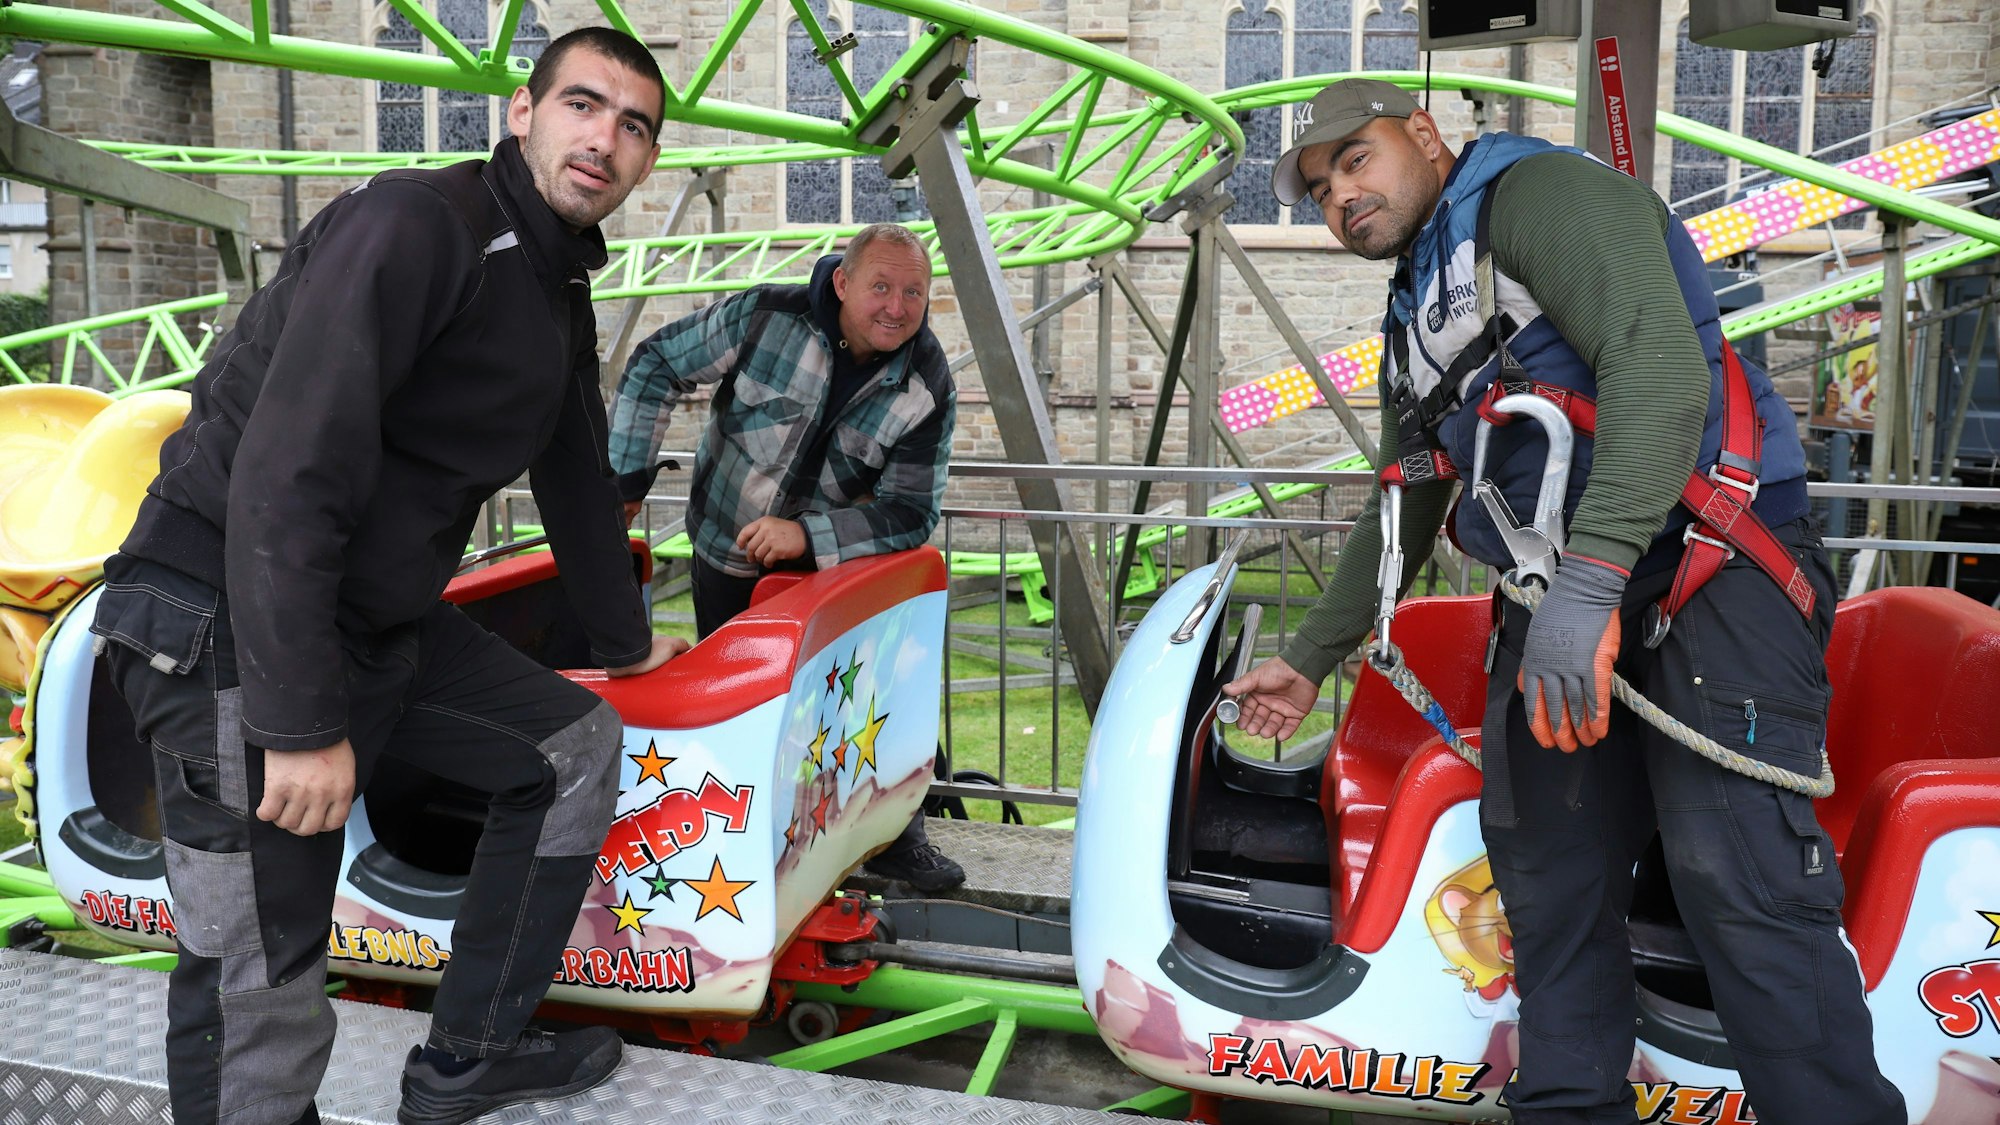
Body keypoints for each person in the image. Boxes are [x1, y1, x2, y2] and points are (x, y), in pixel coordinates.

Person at [1223, 79, 1904, 1124]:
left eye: (1352, 161)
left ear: (1421, 134)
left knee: (1744, 892)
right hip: (1562, 602)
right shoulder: (1421, 302)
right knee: (1548, 887)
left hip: (1708, 577)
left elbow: (1657, 372)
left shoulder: (1533, 199)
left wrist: (1585, 595)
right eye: (1317, 189)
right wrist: (1311, 654)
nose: (1339, 197)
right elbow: (1411, 485)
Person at [91, 28, 686, 1125]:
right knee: (264, 982)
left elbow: (573, 475)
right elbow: (286, 469)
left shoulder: (552, 290)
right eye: (583, 105)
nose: (605, 138)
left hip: (376, 619)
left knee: (568, 751)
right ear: (523, 112)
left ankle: (468, 1057)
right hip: (226, 611)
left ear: (648, 158)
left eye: (635, 125)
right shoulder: (421, 224)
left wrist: (629, 642)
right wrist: (300, 719)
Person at [608, 222, 965, 892]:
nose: (895, 305)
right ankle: (730, 842)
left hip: (830, 577)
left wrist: (810, 537)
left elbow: (912, 511)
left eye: (912, 292)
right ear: (842, 282)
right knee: (737, 702)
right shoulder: (766, 316)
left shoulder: (926, 383)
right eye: (880, 286)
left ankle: (896, 836)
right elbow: (657, 363)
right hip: (726, 550)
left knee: (864, 699)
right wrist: (624, 483)